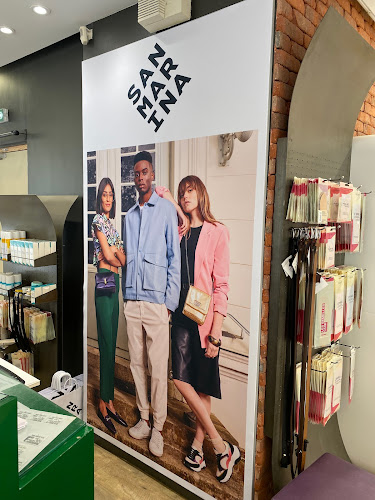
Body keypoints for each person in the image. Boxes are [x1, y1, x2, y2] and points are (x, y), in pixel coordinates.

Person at [171, 175, 241, 483]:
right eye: (182, 192)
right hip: (180, 316)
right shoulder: (178, 232)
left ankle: (199, 446)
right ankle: (221, 445)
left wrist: (216, 332)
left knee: (201, 385)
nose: (186, 196)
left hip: (204, 321)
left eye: (190, 190)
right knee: (180, 379)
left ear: (201, 193)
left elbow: (221, 285)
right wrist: (175, 208)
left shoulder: (217, 232)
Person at [122, 151, 181, 457]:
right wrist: (125, 294)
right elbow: (124, 259)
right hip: (133, 299)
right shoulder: (129, 217)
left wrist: (170, 302)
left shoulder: (166, 211)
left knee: (158, 367)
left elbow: (174, 258)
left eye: (145, 172)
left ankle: (158, 427)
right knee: (136, 364)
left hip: (158, 302)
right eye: (136, 173)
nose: (140, 177)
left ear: (152, 175)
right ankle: (143, 417)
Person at [92, 177, 127, 435]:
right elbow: (106, 254)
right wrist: (114, 252)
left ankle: (110, 400)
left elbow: (123, 260)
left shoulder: (112, 225)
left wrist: (115, 254)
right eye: (104, 194)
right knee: (105, 342)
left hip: (113, 278)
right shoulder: (97, 221)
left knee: (112, 342)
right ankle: (102, 404)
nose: (107, 198)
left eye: (110, 194)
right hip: (104, 279)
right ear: (99, 198)